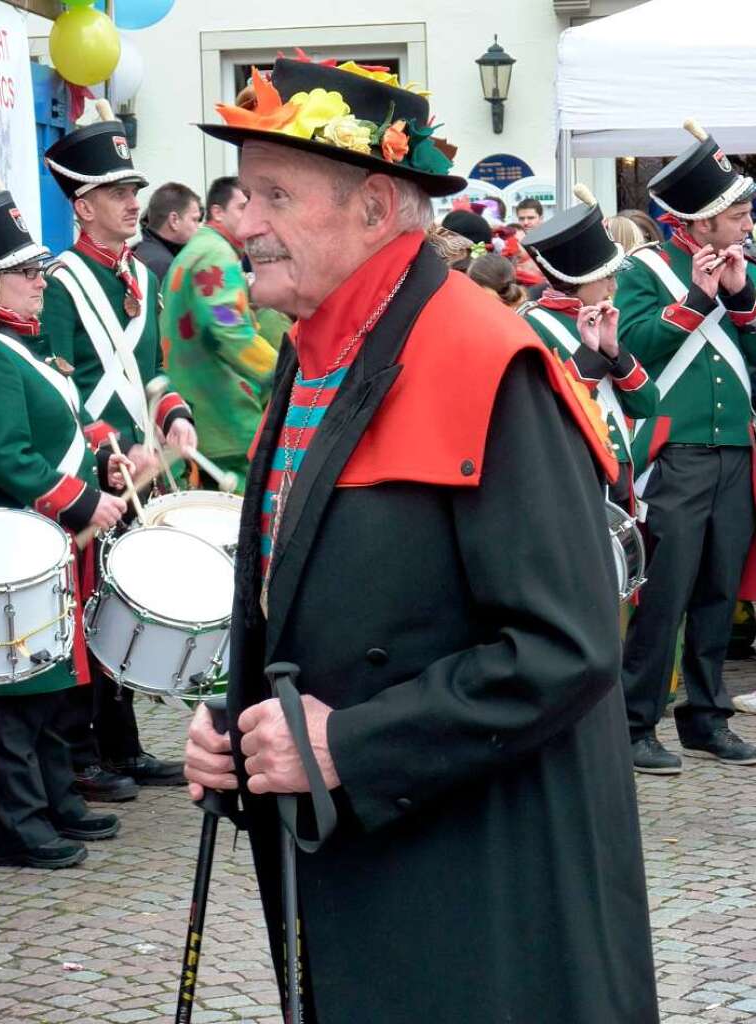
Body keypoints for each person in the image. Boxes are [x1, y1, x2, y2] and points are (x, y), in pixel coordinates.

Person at [184, 55, 659, 1024]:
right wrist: (244, 735)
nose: (242, 221)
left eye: (274, 193)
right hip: (378, 887)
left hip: (480, 910)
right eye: (242, 192)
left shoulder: (485, 360)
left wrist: (346, 743)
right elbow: (314, 600)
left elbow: (567, 643)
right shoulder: (315, 351)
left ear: (372, 206)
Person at [41, 117, 198, 799]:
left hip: (141, 469)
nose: (134, 201)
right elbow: (55, 386)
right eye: (117, 191)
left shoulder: (141, 278)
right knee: (86, 607)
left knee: (125, 603)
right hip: (90, 473)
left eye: (133, 188)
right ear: (83, 206)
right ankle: (80, 754)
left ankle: (123, 745)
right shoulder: (57, 282)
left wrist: (175, 418)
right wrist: (109, 450)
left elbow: (151, 376)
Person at [0, 187, 132, 867]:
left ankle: (52, 800)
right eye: (24, 272)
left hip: (44, 543)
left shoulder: (26, 349)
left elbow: (64, 426)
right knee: (15, 688)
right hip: (14, 543)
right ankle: (13, 822)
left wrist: (105, 451)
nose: (39, 281)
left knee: (50, 682)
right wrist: (80, 502)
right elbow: (6, 453)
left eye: (39, 269)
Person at [616, 121, 756, 773]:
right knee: (664, 591)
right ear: (702, 223)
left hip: (732, 447)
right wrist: (698, 299)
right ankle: (634, 720)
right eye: (737, 212)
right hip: (673, 452)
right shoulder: (644, 269)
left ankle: (705, 718)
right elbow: (634, 348)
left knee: (716, 591)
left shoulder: (743, 271)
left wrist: (739, 301)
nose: (746, 221)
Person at [520, 186, 659, 510]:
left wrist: (613, 351)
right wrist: (590, 356)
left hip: (619, 470)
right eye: (607, 277)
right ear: (577, 278)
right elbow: (545, 411)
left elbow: (647, 403)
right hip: (574, 473)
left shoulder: (601, 318)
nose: (614, 286)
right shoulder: (531, 325)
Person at [161, 176, 278, 492]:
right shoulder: (216, 253)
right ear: (217, 213)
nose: (252, 215)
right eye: (243, 207)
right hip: (223, 416)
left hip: (203, 411)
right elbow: (227, 324)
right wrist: (281, 370)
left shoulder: (197, 250)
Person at [132, 181, 203, 284]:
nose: (199, 227)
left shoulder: (143, 252)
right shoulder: (163, 265)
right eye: (195, 220)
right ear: (174, 220)